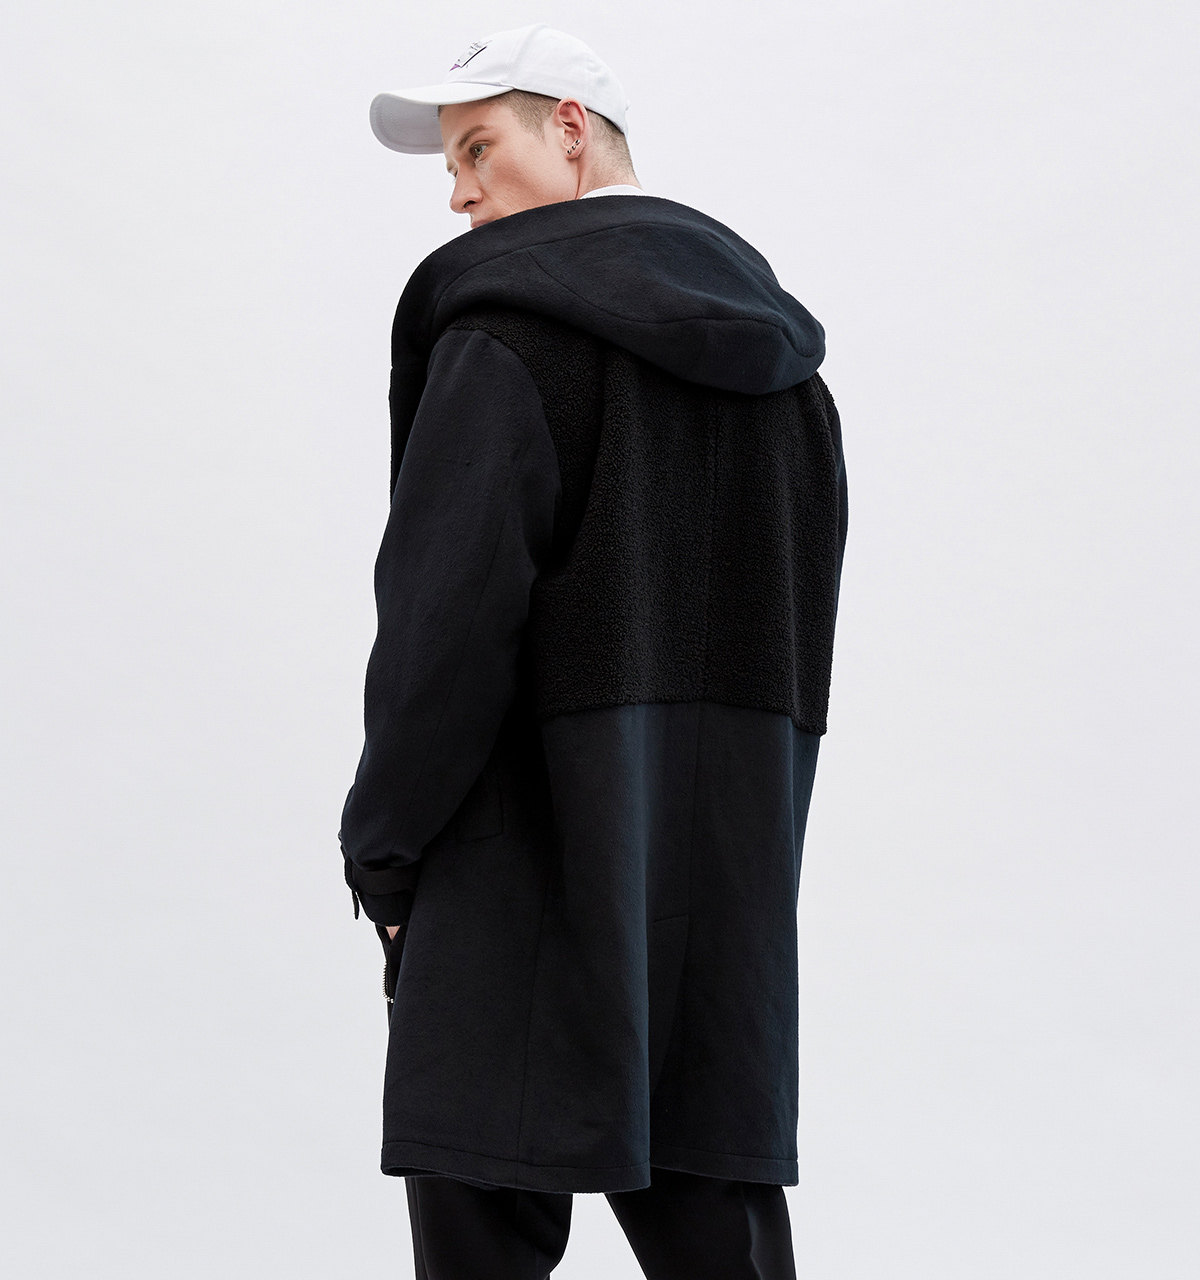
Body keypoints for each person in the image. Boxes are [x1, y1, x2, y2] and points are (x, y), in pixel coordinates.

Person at [338, 23, 847, 1280]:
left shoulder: (503, 337)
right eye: (449, 167)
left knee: (480, 1217)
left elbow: (441, 628)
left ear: (569, 127)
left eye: (475, 149)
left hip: (513, 860)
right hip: (719, 887)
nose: (458, 194)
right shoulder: (786, 376)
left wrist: (386, 855)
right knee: (716, 1226)